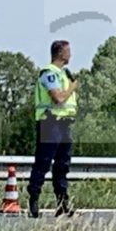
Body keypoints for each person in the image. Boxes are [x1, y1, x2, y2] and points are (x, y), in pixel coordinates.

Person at [29, 38, 78, 217]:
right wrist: (72, 88)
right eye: (68, 51)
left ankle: (63, 203)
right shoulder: (49, 73)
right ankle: (34, 200)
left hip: (64, 124)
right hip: (50, 122)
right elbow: (58, 98)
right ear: (60, 53)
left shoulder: (64, 73)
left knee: (63, 165)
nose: (71, 54)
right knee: (43, 162)